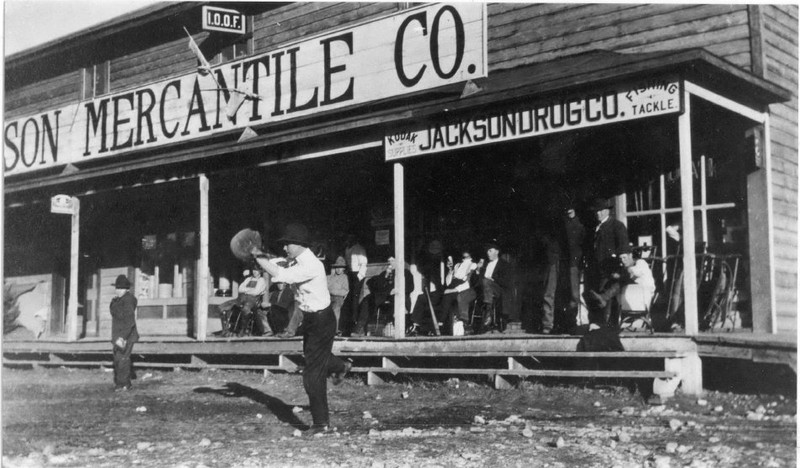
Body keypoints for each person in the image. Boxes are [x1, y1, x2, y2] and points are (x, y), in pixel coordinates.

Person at [253, 223, 351, 434]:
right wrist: (261, 255)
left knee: (312, 374)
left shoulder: (311, 265)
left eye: (288, 244)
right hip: (312, 319)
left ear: (299, 244)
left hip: (322, 320)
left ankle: (321, 424)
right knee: (316, 359)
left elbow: (282, 274)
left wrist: (257, 257)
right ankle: (341, 366)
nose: (285, 248)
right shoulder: (297, 259)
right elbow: (279, 263)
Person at [584, 197, 630, 327]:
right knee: (593, 296)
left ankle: (607, 327)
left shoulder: (617, 226)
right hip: (595, 268)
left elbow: (623, 247)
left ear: (606, 211)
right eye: (596, 212)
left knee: (606, 297)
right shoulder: (595, 228)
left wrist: (622, 258)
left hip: (610, 268)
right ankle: (596, 325)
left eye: (600, 211)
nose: (597, 214)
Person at [352, 256, 413, 337]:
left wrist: (398, 290)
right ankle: (360, 328)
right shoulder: (385, 273)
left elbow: (410, 287)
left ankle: (403, 329)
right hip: (385, 296)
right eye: (389, 262)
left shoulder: (406, 273)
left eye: (392, 261)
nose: (390, 263)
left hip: (400, 296)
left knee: (399, 302)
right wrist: (386, 276)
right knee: (367, 299)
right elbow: (378, 287)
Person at [110, 274, 139, 392]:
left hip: (127, 336)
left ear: (127, 289)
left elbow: (130, 322)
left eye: (121, 288)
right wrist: (114, 301)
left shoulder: (128, 300)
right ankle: (120, 383)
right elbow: (113, 312)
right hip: (118, 335)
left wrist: (123, 337)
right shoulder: (118, 300)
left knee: (123, 359)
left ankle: (125, 384)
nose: (118, 290)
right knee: (118, 358)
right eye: (117, 288)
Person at [220, 268, 269, 336]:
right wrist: (250, 290)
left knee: (245, 309)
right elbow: (240, 289)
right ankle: (226, 330)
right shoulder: (248, 279)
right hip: (241, 298)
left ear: (260, 271)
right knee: (222, 307)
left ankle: (243, 330)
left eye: (256, 270)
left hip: (253, 300)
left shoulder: (261, 280)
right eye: (253, 270)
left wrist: (246, 290)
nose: (254, 272)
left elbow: (256, 292)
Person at [477, 240, 511, 333]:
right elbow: (478, 281)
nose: (488, 253)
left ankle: (488, 313)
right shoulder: (485, 265)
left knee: (487, 281)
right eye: (487, 251)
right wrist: (478, 270)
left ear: (497, 251)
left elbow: (507, 282)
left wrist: (494, 279)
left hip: (498, 290)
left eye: (490, 251)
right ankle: (488, 311)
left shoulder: (504, 265)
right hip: (485, 291)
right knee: (485, 282)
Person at [441, 250, 478, 334]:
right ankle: (441, 323)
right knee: (439, 297)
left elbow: (468, 283)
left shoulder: (473, 265)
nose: (465, 250)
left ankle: (441, 322)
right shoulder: (457, 265)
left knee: (448, 297)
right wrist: (450, 271)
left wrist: (452, 290)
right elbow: (448, 283)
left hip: (463, 289)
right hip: (453, 287)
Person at [564, 205, 585, 326]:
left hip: (577, 263)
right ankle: (571, 322)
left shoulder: (581, 225)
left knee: (576, 294)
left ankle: (576, 322)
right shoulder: (563, 225)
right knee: (572, 294)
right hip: (567, 263)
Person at [344, 234, 368, 334]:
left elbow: (364, 264)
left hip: (357, 275)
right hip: (350, 274)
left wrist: (359, 276)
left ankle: (356, 325)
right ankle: (348, 326)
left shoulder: (359, 249)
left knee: (356, 300)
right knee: (349, 300)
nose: (348, 240)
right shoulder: (348, 249)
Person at [327, 256, 349, 334]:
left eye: (341, 268)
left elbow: (345, 291)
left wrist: (333, 291)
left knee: (335, 309)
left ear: (343, 269)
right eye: (337, 267)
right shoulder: (329, 277)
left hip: (338, 298)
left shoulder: (344, 277)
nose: (338, 269)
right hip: (328, 297)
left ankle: (335, 330)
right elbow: (325, 287)